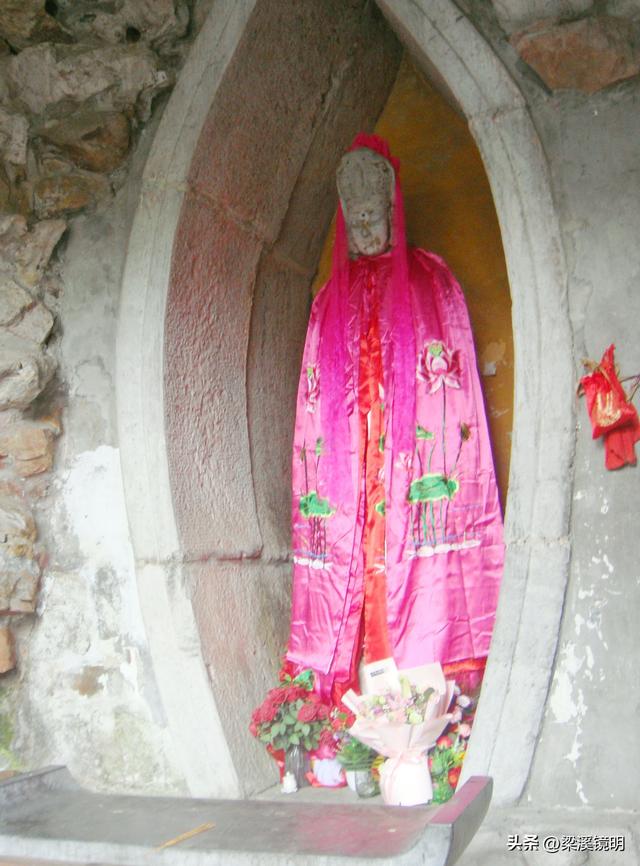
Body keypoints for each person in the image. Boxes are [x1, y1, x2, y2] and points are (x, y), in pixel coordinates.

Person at [286, 133, 504, 704]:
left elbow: (449, 391)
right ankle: (354, 694)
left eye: (372, 217)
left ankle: (427, 692)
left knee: (404, 541)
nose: (363, 231)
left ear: (391, 210)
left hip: (406, 456)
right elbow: (315, 404)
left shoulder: (430, 280)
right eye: (352, 222)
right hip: (352, 465)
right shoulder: (328, 299)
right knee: (357, 549)